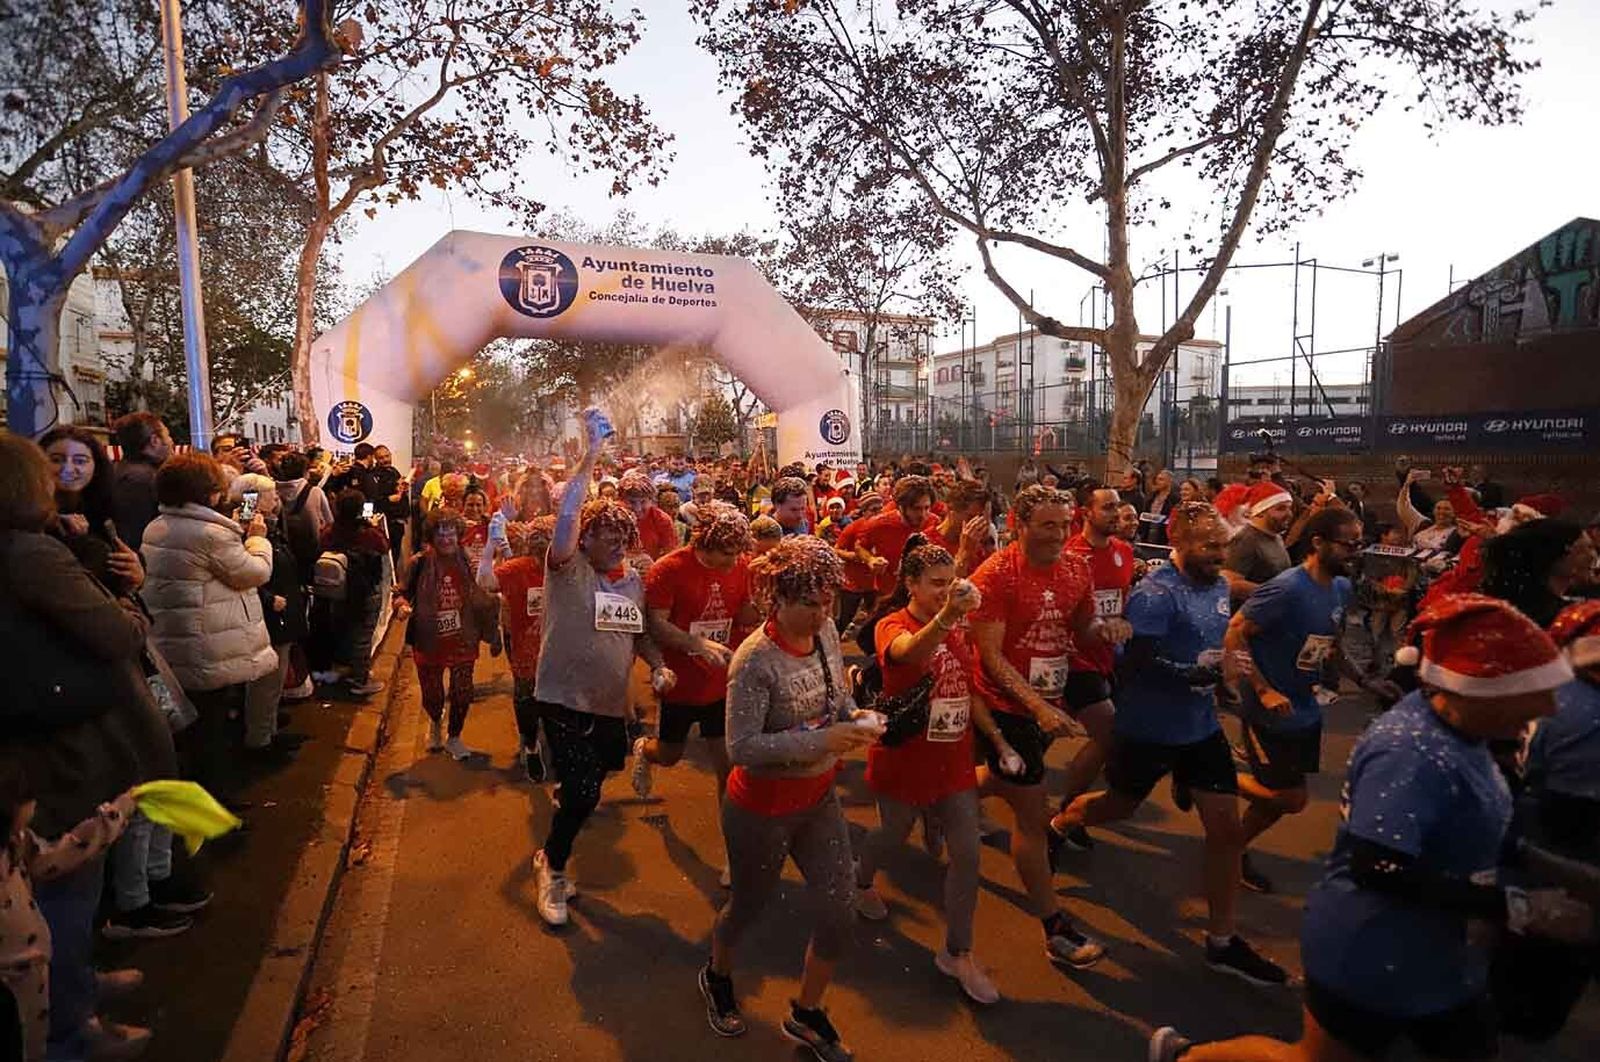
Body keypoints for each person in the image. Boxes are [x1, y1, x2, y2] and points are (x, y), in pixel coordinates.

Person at [1153, 595, 1596, 1062]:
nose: (1549, 709)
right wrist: (1519, 906)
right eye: (1533, 694)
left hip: (1442, 955)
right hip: (1371, 952)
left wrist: (1560, 872)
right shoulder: (1411, 751)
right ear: (1481, 689)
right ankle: (1186, 1057)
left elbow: (1478, 829)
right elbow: (1376, 866)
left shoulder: (1469, 738)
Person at [1055, 503, 1288, 985]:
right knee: (1116, 806)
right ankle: (1060, 822)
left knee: (1224, 831)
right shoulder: (1155, 596)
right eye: (1208, 546)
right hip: (1147, 729)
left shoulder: (1220, 584)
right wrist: (1200, 672)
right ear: (1178, 542)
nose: (1218, 554)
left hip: (1201, 729)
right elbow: (1133, 667)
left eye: (1223, 545)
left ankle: (1222, 940)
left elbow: (1228, 616)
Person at [0, 434, 180, 1057]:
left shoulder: (56, 543)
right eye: (50, 467)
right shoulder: (31, 553)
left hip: (41, 733)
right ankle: (72, 1027)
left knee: (63, 885)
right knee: (66, 881)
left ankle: (77, 984)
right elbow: (113, 631)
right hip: (60, 744)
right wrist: (131, 606)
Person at [700, 536, 880, 1060]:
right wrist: (820, 740)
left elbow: (837, 698)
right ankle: (718, 973)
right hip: (760, 808)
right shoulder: (754, 660)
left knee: (840, 910)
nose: (823, 612)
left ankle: (807, 1011)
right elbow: (742, 747)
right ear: (776, 599)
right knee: (750, 905)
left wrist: (858, 721)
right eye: (810, 602)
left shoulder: (825, 631)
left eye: (827, 600)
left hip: (819, 798)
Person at [967, 484, 1120, 970]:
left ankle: (944, 797)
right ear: (1019, 524)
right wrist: (1036, 707)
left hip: (1046, 699)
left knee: (1003, 783)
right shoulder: (996, 575)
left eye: (1065, 524)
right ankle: (1054, 928)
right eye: (1048, 525)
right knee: (1032, 818)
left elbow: (1083, 628)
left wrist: (1107, 631)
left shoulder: (1077, 567)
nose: (1059, 534)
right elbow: (990, 658)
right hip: (1004, 707)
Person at [529, 422, 672, 927]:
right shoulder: (566, 567)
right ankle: (553, 864)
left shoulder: (633, 581)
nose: (614, 545)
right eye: (603, 537)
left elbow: (640, 636)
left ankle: (569, 793)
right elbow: (568, 514)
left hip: (611, 702)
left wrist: (657, 667)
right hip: (561, 697)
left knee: (603, 769)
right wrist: (590, 457)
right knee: (585, 792)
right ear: (584, 539)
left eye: (621, 538)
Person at [851, 540, 1001, 1004]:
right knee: (891, 833)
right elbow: (907, 653)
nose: (945, 590)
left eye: (950, 581)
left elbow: (969, 682)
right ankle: (859, 878)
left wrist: (998, 738)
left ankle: (958, 952)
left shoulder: (959, 624)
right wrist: (947, 616)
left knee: (968, 853)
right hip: (905, 759)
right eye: (935, 583)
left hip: (954, 759)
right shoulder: (893, 624)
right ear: (910, 584)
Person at [1223, 506, 1368, 895]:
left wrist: (1364, 679)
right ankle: (1209, 777)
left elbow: (1329, 644)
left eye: (1359, 543)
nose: (1354, 551)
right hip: (1269, 711)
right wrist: (1263, 689)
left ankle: (1231, 850)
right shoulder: (1287, 588)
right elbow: (1235, 634)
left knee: (1274, 799)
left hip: (1304, 709)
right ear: (1318, 543)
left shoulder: (1340, 587)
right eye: (1347, 544)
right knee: (1292, 798)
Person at [140, 451, 277, 802]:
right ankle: (216, 814)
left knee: (197, 732)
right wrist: (258, 538)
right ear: (209, 491)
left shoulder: (158, 525)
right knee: (212, 736)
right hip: (206, 647)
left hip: (177, 642)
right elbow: (254, 572)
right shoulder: (209, 533)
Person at [633, 505, 757, 881]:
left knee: (730, 769)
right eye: (725, 554)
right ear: (704, 542)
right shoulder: (669, 569)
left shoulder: (741, 565)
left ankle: (735, 853)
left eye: (737, 553)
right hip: (681, 683)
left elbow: (745, 613)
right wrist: (695, 644)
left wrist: (763, 608)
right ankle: (645, 750)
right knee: (670, 755)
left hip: (722, 682)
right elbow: (654, 624)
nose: (732, 561)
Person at [1, 761, 139, 1062]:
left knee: (33, 1041)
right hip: (10, 985)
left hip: (31, 980)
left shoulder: (17, 841)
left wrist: (109, 820)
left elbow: (53, 859)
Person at [1045, 485, 1134, 853]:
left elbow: (1121, 604)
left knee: (1040, 738)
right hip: (1071, 661)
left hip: (1109, 658)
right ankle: (1063, 816)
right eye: (1108, 507)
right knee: (1110, 735)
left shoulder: (1125, 553)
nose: (1116, 514)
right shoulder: (1067, 556)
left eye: (1118, 507)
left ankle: (1060, 807)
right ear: (1086, 512)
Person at [228, 474, 307, 762]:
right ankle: (260, 741)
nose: (278, 499)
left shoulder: (268, 527)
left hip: (282, 611)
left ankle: (270, 731)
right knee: (265, 682)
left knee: (275, 680)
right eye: (272, 494)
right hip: (270, 615)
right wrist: (269, 598)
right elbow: (246, 572)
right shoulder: (246, 531)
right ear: (254, 499)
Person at [40, 426, 142, 596]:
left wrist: (136, 573)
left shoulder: (109, 508)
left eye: (80, 461)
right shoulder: (28, 516)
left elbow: (127, 554)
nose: (68, 468)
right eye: (57, 460)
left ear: (96, 465)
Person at [108, 411, 174, 553]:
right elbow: (137, 534)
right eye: (168, 435)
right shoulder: (142, 480)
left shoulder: (120, 470)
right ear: (154, 441)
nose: (171, 441)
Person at [1222, 479, 1295, 604]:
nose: (1289, 514)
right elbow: (1229, 583)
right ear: (1260, 512)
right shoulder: (1246, 540)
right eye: (1281, 509)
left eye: (1289, 508)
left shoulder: (1275, 536)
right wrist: (1276, 594)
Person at [926, 478, 994, 576]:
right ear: (951, 510)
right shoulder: (927, 543)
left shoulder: (983, 547)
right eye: (972, 518)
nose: (981, 525)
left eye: (986, 519)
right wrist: (965, 554)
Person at [621, 470, 678, 560]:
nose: (637, 508)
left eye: (643, 502)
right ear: (622, 500)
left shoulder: (662, 520)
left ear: (652, 500)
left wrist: (654, 566)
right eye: (631, 502)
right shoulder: (613, 519)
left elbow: (670, 557)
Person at [372, 445, 410, 572]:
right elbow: (371, 501)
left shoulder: (393, 471)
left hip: (398, 523)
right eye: (381, 458)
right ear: (376, 459)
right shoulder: (374, 476)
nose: (385, 460)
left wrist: (403, 488)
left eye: (387, 456)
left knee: (395, 555)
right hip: (385, 525)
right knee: (386, 558)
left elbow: (399, 492)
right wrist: (388, 499)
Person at [1137, 468, 1179, 545]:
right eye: (1157, 479)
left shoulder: (1174, 500)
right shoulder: (1151, 497)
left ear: (1169, 481)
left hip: (1163, 538)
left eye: (1161, 479)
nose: (1157, 482)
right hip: (1147, 536)